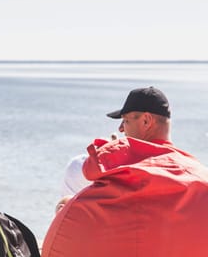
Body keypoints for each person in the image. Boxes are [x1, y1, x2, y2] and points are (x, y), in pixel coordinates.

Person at [56, 86, 188, 212]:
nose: (120, 129)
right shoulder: (189, 172)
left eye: (125, 121)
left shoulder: (126, 172)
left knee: (75, 168)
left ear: (146, 121)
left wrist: (107, 162)